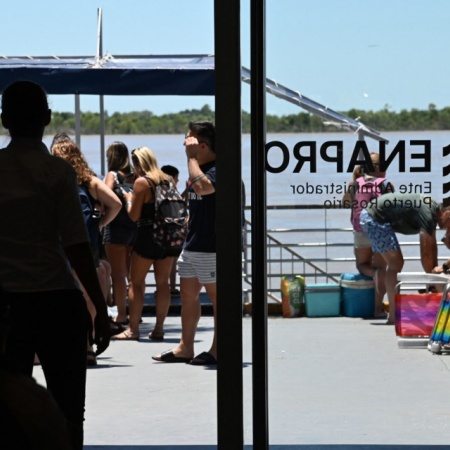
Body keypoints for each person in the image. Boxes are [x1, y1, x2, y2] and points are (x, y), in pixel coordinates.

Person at [0, 80, 110, 449]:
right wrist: (102, 310)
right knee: (69, 410)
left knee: (8, 407)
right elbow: (78, 247)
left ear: (4, 120)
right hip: (57, 302)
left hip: (5, 306)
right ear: (47, 117)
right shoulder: (59, 173)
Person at [153, 120, 217, 365]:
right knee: (188, 296)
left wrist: (191, 158)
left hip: (213, 247)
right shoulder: (196, 169)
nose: (184, 142)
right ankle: (185, 347)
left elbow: (203, 187)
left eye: (189, 139)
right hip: (192, 245)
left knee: (217, 299)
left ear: (202, 145)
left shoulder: (215, 168)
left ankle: (217, 349)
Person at [51, 139, 121, 365]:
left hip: (59, 244)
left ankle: (60, 343)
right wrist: (100, 224)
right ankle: (87, 344)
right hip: (86, 243)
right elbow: (117, 204)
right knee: (87, 294)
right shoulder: (89, 180)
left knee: (59, 294)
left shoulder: (54, 177)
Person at [112, 147, 176, 341]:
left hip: (147, 236)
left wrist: (129, 199)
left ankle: (133, 330)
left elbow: (134, 216)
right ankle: (159, 329)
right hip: (167, 237)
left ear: (138, 164)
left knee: (136, 283)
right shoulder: (167, 180)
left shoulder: (142, 182)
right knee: (163, 284)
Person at [360, 193, 450, 325]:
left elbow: (432, 247)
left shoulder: (432, 213)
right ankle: (393, 315)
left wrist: (434, 275)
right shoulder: (429, 213)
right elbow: (425, 251)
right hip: (374, 218)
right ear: (447, 214)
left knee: (393, 264)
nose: (448, 228)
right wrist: (433, 279)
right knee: (395, 263)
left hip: (377, 216)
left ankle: (391, 311)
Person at [342, 153, 394, 317]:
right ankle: (377, 309)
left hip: (361, 230)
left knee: (362, 265)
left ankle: (373, 274)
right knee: (382, 268)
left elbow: (346, 202)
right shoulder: (385, 184)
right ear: (378, 168)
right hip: (380, 231)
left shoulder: (355, 183)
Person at [103, 141, 137, 325]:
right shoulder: (134, 176)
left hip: (115, 229)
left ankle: (121, 314)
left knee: (117, 275)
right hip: (133, 228)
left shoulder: (112, 175)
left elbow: (104, 195)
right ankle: (134, 313)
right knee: (133, 276)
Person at [161, 164, 181, 296]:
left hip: (162, 230)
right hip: (171, 230)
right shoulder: (170, 191)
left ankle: (167, 287)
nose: (178, 181)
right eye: (176, 178)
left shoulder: (159, 190)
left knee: (168, 261)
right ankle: (171, 287)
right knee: (171, 260)